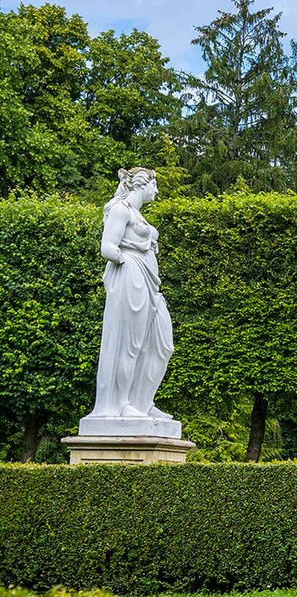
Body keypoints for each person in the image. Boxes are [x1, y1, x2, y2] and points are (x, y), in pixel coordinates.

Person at [87, 168, 175, 422]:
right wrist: (133, 256)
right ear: (140, 185)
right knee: (130, 343)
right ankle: (121, 403)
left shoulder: (137, 215)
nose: (156, 191)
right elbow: (108, 248)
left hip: (149, 283)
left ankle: (142, 401)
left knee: (161, 344)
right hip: (130, 277)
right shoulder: (121, 209)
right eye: (153, 186)